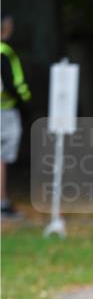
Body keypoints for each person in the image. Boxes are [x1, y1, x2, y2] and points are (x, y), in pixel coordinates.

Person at [1, 14, 31, 219]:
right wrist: (26, 102)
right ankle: (2, 202)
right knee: (2, 156)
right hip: (5, 111)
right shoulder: (6, 52)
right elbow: (15, 84)